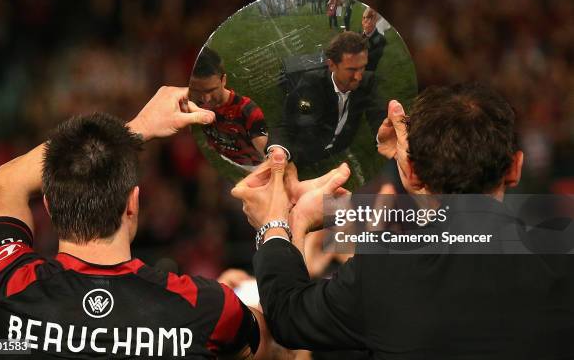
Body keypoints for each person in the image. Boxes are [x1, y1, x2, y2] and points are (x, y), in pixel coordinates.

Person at [233, 83, 574, 358]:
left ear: (411, 172)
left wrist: (279, 222)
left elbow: (287, 317)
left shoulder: (383, 271)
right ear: (515, 168)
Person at [0, 86, 277, 358]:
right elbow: (270, 345)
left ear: (49, 206)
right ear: (133, 203)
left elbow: (4, 183)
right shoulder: (207, 307)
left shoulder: (5, 288)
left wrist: (135, 130)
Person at [269, 31, 384, 165]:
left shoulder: (368, 81)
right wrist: (279, 148)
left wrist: (383, 134)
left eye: (363, 67)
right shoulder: (311, 82)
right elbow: (286, 122)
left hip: (341, 145)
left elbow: (378, 112)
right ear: (331, 65)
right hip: (308, 151)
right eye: (351, 69)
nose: (359, 76)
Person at [190, 47, 268, 168]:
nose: (206, 99)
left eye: (211, 90)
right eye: (197, 90)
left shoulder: (247, 110)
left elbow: (266, 154)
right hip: (223, 162)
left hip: (252, 168)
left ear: (223, 80)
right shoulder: (196, 103)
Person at [360, 7, 386, 72]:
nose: (368, 21)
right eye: (366, 18)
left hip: (368, 68)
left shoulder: (381, 40)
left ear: (377, 21)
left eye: (372, 19)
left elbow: (375, 56)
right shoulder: (361, 32)